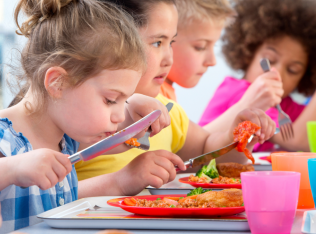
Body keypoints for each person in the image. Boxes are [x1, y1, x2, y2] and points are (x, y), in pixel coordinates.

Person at [0, 0, 185, 232]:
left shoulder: (66, 140)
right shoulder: (5, 140)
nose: (118, 116)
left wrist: (133, 110)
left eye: (123, 99)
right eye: (110, 100)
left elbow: (118, 139)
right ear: (58, 83)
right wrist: (11, 170)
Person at [75, 0, 276, 182]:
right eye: (157, 43)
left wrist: (239, 136)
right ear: (114, 43)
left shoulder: (168, 110)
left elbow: (208, 154)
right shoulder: (83, 116)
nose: (169, 58)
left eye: (170, 43)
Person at [199, 0, 316, 152]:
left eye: (293, 70)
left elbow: (313, 131)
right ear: (248, 53)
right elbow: (298, 141)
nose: (277, 73)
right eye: (269, 60)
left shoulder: (286, 106)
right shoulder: (240, 91)